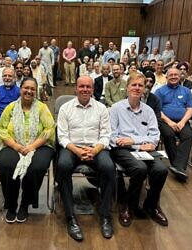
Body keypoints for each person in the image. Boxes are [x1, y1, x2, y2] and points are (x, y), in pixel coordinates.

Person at [57, 76, 115, 240]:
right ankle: (70, 217)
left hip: (95, 147)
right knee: (62, 166)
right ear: (75, 88)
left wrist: (94, 150)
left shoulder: (101, 108)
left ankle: (105, 216)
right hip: (72, 148)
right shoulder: (65, 108)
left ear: (92, 89)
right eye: (81, 86)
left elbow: (106, 135)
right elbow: (62, 136)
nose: (84, 89)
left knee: (109, 167)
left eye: (88, 87)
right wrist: (77, 150)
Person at [110, 72, 168, 227]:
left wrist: (136, 141)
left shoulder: (148, 110)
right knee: (139, 168)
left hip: (144, 150)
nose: (137, 88)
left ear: (144, 89)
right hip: (122, 150)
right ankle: (129, 205)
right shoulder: (115, 109)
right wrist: (136, 143)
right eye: (133, 84)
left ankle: (151, 205)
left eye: (140, 85)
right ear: (127, 87)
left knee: (161, 170)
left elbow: (154, 136)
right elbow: (112, 137)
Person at [0, 77, 55, 223]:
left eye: (32, 89)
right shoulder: (10, 107)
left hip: (40, 145)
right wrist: (16, 146)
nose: (29, 91)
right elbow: (2, 129)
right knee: (7, 165)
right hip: (13, 144)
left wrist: (32, 147)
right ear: (20, 89)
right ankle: (11, 205)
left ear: (36, 91)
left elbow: (49, 129)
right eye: (26, 88)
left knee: (36, 167)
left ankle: (25, 204)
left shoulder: (42, 108)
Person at [155, 68, 192, 182]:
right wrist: (170, 122)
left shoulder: (186, 91)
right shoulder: (160, 91)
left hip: (182, 121)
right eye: (170, 75)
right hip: (165, 121)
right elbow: (158, 110)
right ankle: (178, 166)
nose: (173, 77)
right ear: (166, 77)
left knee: (188, 135)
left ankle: (178, 166)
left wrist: (182, 122)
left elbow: (190, 109)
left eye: (175, 75)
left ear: (180, 76)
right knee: (168, 135)